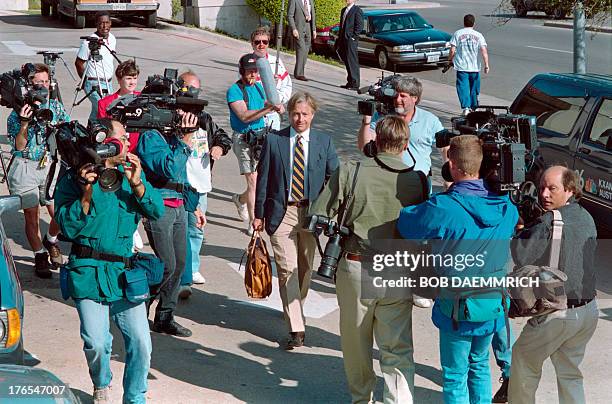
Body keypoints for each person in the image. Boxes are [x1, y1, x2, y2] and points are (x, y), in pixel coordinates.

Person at [310, 115, 428, 403]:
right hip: (397, 269)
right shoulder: (418, 181)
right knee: (397, 348)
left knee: (356, 344)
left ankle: (362, 398)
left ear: (376, 141)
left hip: (356, 265)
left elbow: (319, 214)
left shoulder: (351, 170)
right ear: (405, 144)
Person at [397, 135, 518, 403]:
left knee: (454, 375)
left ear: (451, 165)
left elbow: (407, 224)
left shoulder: (445, 207)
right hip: (491, 302)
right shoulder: (507, 206)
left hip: (456, 305)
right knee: (479, 366)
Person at [53, 118, 164, 404]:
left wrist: (138, 183)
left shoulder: (130, 174)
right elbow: (65, 226)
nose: (128, 143)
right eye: (123, 138)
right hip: (88, 270)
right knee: (96, 342)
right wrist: (86, 192)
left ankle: (135, 398)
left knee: (141, 342)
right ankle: (101, 384)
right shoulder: (75, 177)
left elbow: (156, 211)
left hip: (123, 272)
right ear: (105, 142)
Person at [253, 92, 338, 349]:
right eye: (295, 114)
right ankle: (297, 329)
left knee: (304, 269)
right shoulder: (274, 140)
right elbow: (264, 179)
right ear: (289, 114)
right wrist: (258, 214)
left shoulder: (324, 142)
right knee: (287, 269)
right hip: (282, 213)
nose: (300, 119)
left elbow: (335, 179)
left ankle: (294, 304)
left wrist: (331, 211)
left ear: (313, 115)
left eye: (305, 114)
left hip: (311, 216)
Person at [508, 166, 598, 404]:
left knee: (523, 360)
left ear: (569, 190)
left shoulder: (549, 221)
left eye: (552, 188)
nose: (544, 194)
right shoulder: (586, 216)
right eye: (542, 188)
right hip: (588, 312)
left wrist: (521, 228)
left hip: (558, 314)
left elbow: (521, 254)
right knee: (570, 373)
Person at [136, 95, 205, 338]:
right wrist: (185, 139)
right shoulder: (151, 137)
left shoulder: (174, 137)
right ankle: (139, 308)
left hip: (178, 206)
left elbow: (182, 176)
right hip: (159, 206)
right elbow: (168, 169)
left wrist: (193, 206)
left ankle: (165, 316)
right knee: (166, 265)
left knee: (180, 265)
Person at [6, 62, 70, 278]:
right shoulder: (17, 112)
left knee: (60, 212)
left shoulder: (57, 107)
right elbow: (19, 146)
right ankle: (39, 255)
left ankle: (51, 240)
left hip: (50, 164)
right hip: (25, 165)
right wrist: (25, 122)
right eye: (38, 83)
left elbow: (67, 131)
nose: (43, 86)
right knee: (31, 216)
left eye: (46, 82)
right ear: (29, 86)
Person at [176, 70, 232, 298]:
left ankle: (192, 267)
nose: (194, 95)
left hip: (202, 185)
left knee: (196, 231)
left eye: (197, 90)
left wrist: (219, 147)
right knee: (182, 231)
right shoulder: (173, 116)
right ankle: (183, 277)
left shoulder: (204, 118)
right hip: (181, 183)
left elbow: (222, 137)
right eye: (190, 89)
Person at [228, 53, 284, 234]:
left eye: (255, 71)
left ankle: (241, 200)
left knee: (260, 181)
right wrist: (268, 108)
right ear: (242, 71)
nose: (253, 74)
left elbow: (273, 103)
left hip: (261, 137)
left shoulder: (260, 87)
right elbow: (244, 116)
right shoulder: (234, 91)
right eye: (249, 71)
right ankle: (254, 223)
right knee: (253, 181)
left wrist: (277, 105)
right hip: (243, 139)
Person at [359, 76, 447, 181]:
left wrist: (448, 179)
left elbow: (445, 148)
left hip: (417, 182)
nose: (397, 99)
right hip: (384, 179)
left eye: (403, 96)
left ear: (415, 98)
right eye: (395, 95)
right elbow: (364, 146)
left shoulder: (430, 120)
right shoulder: (381, 116)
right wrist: (366, 120)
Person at [75, 11, 117, 123]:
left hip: (108, 83)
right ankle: (98, 134)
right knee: (103, 108)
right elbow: (79, 63)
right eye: (101, 23)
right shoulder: (89, 42)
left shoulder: (112, 38)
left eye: (107, 22)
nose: (104, 26)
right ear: (96, 24)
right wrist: (84, 82)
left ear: (111, 23)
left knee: (97, 111)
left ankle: (90, 131)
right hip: (93, 83)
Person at [250, 26, 293, 130]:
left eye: (265, 42)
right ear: (252, 44)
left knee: (272, 144)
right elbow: (247, 89)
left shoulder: (276, 62)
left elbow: (287, 85)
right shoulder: (247, 63)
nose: (261, 45)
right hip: (255, 114)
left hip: (273, 115)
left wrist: (278, 101)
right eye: (257, 42)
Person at [448, 14, 490, 116]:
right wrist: (486, 65)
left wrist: (450, 60)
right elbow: (484, 51)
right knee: (474, 88)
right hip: (474, 67)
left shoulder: (458, 34)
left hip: (462, 67)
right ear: (474, 23)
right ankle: (474, 107)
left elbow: (452, 50)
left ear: (464, 22)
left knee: (463, 88)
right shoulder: (478, 35)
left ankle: (466, 108)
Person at [97, 59, 141, 153]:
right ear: (119, 79)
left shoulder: (144, 99)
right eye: (129, 78)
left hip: (138, 151)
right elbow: (103, 132)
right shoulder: (104, 103)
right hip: (116, 151)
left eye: (135, 78)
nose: (132, 82)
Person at [336, 0, 363, 90]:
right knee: (347, 61)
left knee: (352, 61)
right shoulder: (344, 10)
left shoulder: (357, 10)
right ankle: (350, 82)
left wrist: (353, 37)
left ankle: (355, 84)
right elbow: (342, 25)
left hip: (351, 40)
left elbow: (359, 25)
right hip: (343, 39)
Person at [288, 0, 316, 81]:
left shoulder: (310, 1)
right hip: (298, 28)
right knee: (301, 49)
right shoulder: (294, 1)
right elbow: (290, 16)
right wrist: (294, 29)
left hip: (308, 27)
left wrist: (313, 29)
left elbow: (313, 14)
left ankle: (299, 71)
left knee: (306, 50)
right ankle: (299, 74)